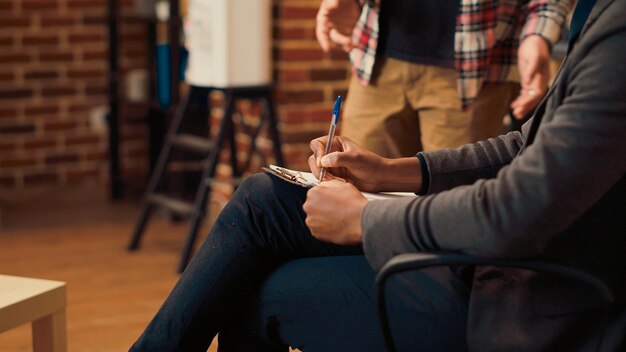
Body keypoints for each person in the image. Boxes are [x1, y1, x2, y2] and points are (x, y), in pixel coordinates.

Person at [130, 0, 626, 350]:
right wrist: (392, 171)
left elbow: (515, 209)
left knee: (253, 292)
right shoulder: (604, 16)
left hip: (527, 297)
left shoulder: (618, 38)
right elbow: (523, 146)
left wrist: (366, 220)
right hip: (506, 258)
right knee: (264, 197)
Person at [316, 0, 573, 157]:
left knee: (452, 211)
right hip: (374, 62)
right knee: (357, 196)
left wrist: (538, 36)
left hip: (477, 73)